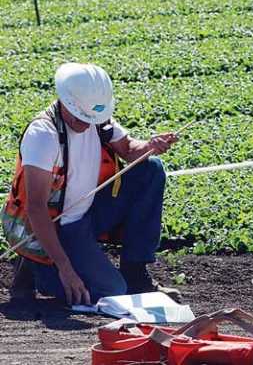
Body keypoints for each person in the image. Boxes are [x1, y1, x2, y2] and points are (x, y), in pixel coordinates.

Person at [2, 63, 181, 305]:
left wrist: (150, 145)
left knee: (150, 169)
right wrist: (66, 268)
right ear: (65, 101)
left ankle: (135, 274)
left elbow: (128, 150)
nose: (88, 124)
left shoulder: (97, 119)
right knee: (111, 291)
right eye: (82, 117)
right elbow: (36, 208)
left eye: (92, 118)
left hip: (88, 213)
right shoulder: (43, 135)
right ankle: (37, 269)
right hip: (59, 226)